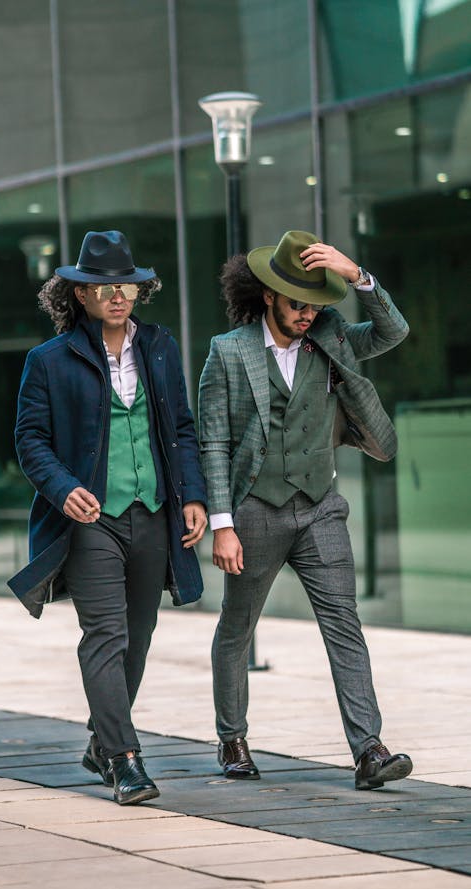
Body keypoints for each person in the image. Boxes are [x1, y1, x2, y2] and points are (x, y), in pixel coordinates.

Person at [198, 229, 413, 791]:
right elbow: (213, 441)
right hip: (255, 511)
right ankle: (232, 738)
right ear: (268, 294)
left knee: (344, 622)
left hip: (320, 505)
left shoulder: (332, 335)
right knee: (237, 629)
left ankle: (369, 749)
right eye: (298, 303)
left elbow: (394, 331)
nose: (307, 315)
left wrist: (357, 274)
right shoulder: (228, 351)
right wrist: (222, 525)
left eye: (317, 304)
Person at [9, 230, 207, 805]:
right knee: (105, 634)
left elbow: (183, 430)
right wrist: (64, 487)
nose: (117, 295)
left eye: (126, 285)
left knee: (139, 637)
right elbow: (31, 439)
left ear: (138, 291)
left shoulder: (161, 347)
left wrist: (191, 496)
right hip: (91, 519)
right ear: (80, 295)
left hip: (153, 513)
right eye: (102, 287)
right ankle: (125, 761)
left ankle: (101, 741)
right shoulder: (48, 360)